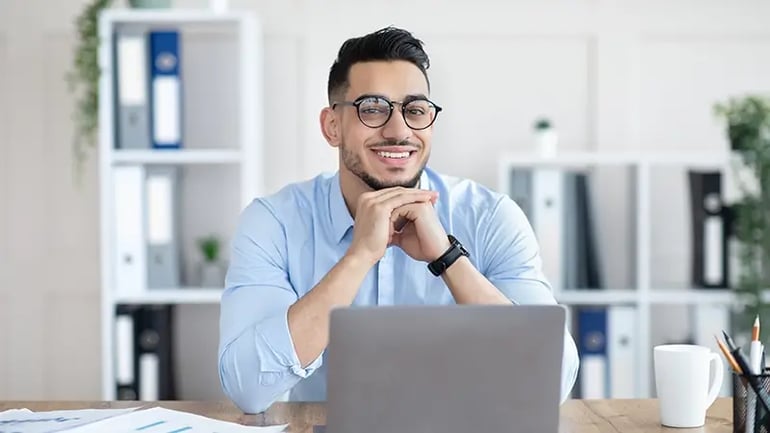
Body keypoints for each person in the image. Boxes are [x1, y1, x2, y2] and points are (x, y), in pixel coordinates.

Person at [218, 26, 579, 414]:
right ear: (332, 126)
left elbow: (552, 379)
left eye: (415, 110)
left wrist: (448, 258)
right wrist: (357, 258)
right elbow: (247, 387)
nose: (399, 130)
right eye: (372, 108)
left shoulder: (491, 217)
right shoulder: (273, 223)